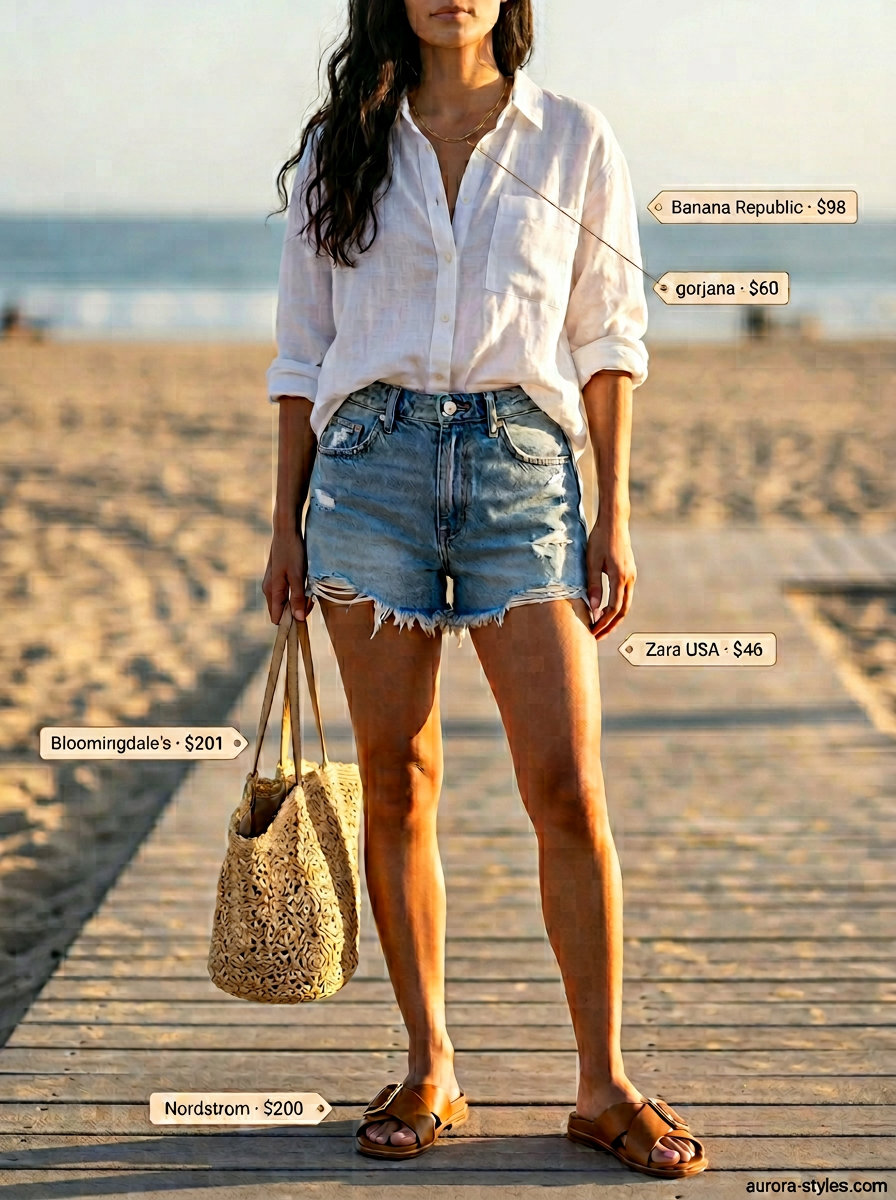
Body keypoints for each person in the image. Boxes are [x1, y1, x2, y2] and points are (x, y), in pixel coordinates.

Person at [263, 0, 706, 1179]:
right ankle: (430, 1064)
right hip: (366, 478)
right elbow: (302, 351)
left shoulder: (572, 139)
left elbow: (609, 336)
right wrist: (282, 526)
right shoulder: (339, 145)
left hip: (525, 475)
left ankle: (602, 1084)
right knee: (398, 782)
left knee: (565, 786)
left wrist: (614, 511)